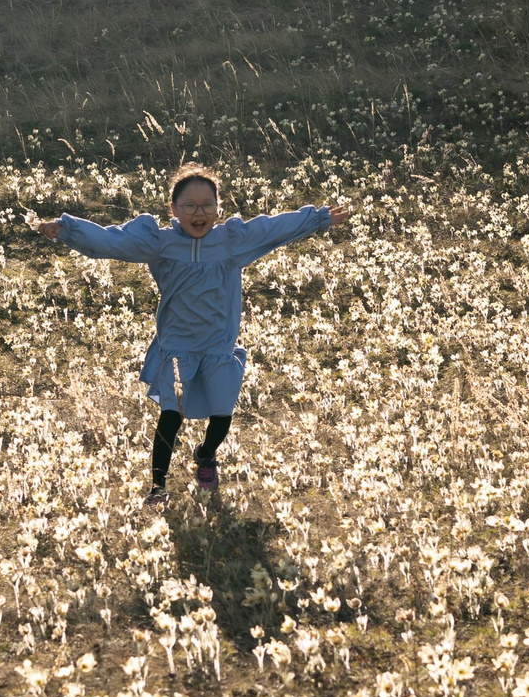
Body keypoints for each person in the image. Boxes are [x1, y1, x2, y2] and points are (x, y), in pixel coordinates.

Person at [37, 164, 352, 502]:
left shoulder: (231, 242)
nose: (199, 213)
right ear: (173, 210)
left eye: (207, 205)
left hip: (218, 345)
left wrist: (317, 219)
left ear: (218, 208)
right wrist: (67, 230)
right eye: (189, 206)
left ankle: (206, 453)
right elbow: (113, 240)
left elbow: (272, 228)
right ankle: (158, 486)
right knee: (171, 416)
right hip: (177, 346)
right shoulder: (159, 243)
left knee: (222, 414)